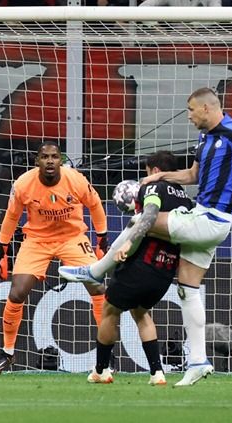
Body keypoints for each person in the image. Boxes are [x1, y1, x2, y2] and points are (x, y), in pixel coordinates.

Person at [60, 87, 232, 387]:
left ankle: (95, 271)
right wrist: (160, 176)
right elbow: (191, 176)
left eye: (191, 110)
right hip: (206, 219)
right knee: (187, 289)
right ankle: (198, 361)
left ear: (207, 108)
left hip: (210, 218)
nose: (188, 116)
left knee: (141, 219)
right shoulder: (204, 138)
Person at [0, 140, 109, 374]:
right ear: (37, 162)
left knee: (97, 287)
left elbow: (95, 205)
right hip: (37, 240)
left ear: (61, 160)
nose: (50, 161)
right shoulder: (23, 184)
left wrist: (101, 240)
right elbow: (12, 216)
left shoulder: (75, 179)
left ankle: (106, 355)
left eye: (55, 156)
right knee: (17, 291)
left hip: (72, 238)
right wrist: (1, 250)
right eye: (45, 157)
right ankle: (8, 353)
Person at [88, 151, 193, 386]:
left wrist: (128, 239)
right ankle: (157, 373)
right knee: (141, 312)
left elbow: (150, 214)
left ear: (155, 171)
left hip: (141, 265)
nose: (144, 179)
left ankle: (101, 370)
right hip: (165, 272)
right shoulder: (186, 200)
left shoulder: (153, 189)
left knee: (109, 310)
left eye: (146, 173)